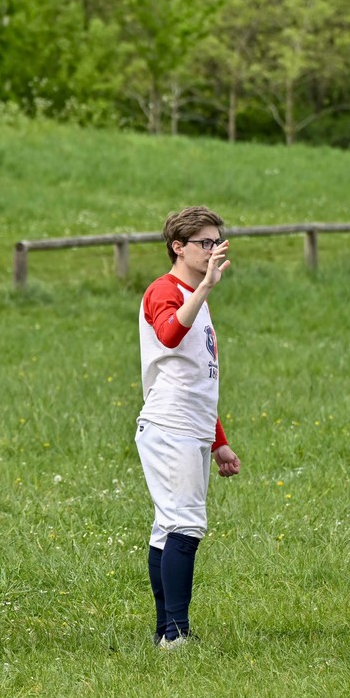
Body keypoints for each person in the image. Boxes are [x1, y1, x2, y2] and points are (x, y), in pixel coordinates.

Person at [134, 206, 241, 648]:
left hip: (191, 427)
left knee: (169, 526)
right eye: (204, 243)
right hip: (169, 425)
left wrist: (219, 442)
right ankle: (175, 634)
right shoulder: (166, 289)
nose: (213, 250)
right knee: (185, 525)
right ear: (178, 247)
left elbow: (200, 376)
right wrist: (205, 288)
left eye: (218, 242)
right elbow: (169, 335)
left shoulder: (196, 294)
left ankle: (167, 630)